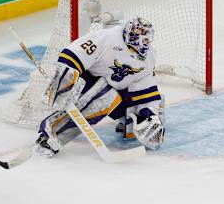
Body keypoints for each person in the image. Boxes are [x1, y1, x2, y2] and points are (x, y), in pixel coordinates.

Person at [35, 16, 166, 157]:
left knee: (146, 116)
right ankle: (51, 136)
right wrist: (65, 79)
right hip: (86, 80)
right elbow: (73, 53)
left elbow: (147, 92)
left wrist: (149, 115)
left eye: (147, 39)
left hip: (117, 87)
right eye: (142, 38)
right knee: (107, 97)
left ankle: (126, 121)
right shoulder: (108, 38)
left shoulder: (149, 57)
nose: (145, 42)